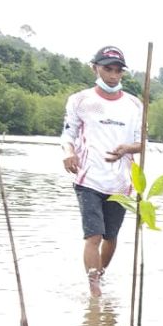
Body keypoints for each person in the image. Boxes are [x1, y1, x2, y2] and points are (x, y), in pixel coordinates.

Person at [60, 45, 144, 297]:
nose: (113, 75)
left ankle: (100, 274)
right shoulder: (80, 100)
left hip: (120, 181)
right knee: (93, 235)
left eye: (118, 70)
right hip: (89, 178)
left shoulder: (134, 105)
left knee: (110, 236)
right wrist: (68, 152)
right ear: (95, 68)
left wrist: (127, 148)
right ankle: (94, 288)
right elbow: (68, 134)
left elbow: (143, 143)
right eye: (108, 69)